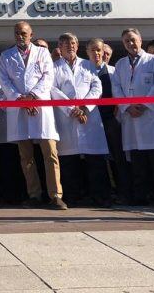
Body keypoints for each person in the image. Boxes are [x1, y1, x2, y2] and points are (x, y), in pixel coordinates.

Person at [0, 22, 66, 210]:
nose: (20, 36)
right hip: (19, 107)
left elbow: (47, 76)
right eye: (17, 33)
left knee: (50, 153)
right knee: (26, 156)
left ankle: (55, 195)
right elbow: (4, 80)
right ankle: (34, 194)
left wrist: (33, 97)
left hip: (40, 107)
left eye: (23, 33)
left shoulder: (42, 53)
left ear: (31, 34)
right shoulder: (6, 55)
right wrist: (21, 99)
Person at [112, 28, 154, 207]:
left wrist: (144, 105)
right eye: (127, 41)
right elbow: (116, 88)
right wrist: (127, 107)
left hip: (151, 118)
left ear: (140, 40)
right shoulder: (121, 64)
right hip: (131, 118)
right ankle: (141, 196)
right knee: (138, 163)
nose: (131, 44)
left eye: (133, 40)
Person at [51, 33, 109, 207]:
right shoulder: (54, 67)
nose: (70, 46)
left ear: (77, 46)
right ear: (59, 47)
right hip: (66, 117)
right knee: (69, 162)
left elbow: (96, 86)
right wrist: (72, 109)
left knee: (95, 161)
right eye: (66, 44)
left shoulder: (88, 64)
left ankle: (100, 197)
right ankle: (73, 197)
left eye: (73, 43)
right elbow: (53, 90)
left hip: (89, 116)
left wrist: (84, 107)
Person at [86, 38, 130, 204]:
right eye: (95, 50)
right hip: (91, 121)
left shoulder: (113, 71)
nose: (99, 54)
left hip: (111, 119)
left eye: (103, 52)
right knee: (96, 159)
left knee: (118, 157)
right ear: (88, 52)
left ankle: (124, 192)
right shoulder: (85, 70)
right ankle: (100, 194)